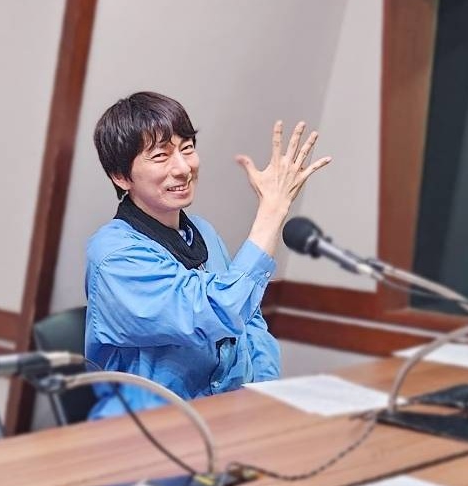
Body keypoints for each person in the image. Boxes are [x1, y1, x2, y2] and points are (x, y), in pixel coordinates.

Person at [83, 90, 332, 418]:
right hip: (149, 427)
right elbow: (213, 311)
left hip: (225, 416)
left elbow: (249, 320)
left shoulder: (203, 232)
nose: (183, 167)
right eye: (161, 156)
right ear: (121, 176)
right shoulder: (114, 256)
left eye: (187, 148)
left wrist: (263, 395)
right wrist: (271, 212)